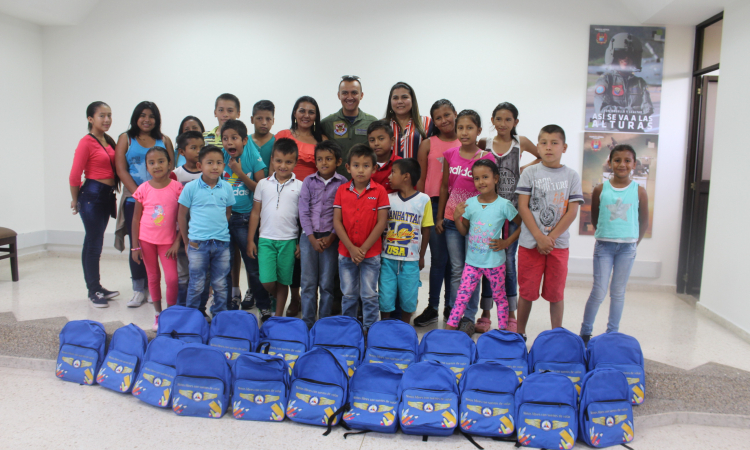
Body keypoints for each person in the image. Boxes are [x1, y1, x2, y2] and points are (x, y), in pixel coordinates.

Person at [475, 102, 540, 332]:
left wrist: (524, 170)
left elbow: (541, 155)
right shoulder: (486, 144)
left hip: (512, 212)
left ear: (516, 122)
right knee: (487, 261)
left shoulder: (519, 143)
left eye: (508, 120)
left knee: (508, 264)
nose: (503, 124)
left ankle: (511, 313)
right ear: (492, 120)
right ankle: (485, 312)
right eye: (499, 119)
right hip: (490, 212)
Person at [515, 125, 584, 341]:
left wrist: (550, 239)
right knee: (526, 292)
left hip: (557, 246)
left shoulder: (572, 176)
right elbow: (523, 207)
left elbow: (572, 211)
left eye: (554, 143)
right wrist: (538, 237)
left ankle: (557, 335)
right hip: (530, 244)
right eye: (543, 142)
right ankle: (519, 333)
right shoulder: (529, 173)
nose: (548, 147)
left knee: (556, 293)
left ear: (564, 147)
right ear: (537, 146)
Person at [580, 144, 648, 345]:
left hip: (627, 249)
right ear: (610, 163)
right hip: (604, 247)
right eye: (617, 160)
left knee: (618, 292)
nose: (622, 164)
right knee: (599, 290)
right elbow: (595, 217)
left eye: (627, 161)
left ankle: (612, 334)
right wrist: (606, 234)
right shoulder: (601, 189)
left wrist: (635, 242)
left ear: (634, 164)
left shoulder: (639, 191)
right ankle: (585, 333)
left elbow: (643, 220)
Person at [436, 110, 495, 336]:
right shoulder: (450, 154)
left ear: (479, 131)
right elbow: (444, 187)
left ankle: (469, 317)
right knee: (457, 270)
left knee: (473, 269)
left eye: (470, 128)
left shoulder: (485, 158)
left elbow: (489, 191)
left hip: (477, 225)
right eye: (460, 128)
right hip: (452, 220)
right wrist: (440, 215)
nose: (464, 132)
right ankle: (455, 313)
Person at [446, 159, 521, 332]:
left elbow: (520, 225)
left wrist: (506, 242)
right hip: (472, 262)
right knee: (462, 296)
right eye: (477, 178)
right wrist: (457, 217)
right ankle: (450, 329)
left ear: (495, 179)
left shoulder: (504, 205)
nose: (481, 182)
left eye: (485, 177)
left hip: (495, 263)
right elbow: (464, 232)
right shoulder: (470, 204)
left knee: (500, 297)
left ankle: (502, 331)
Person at [115, 101, 174, 308]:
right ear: (135, 117)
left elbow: (171, 166)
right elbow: (121, 168)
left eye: (151, 116)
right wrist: (139, 193)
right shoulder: (126, 138)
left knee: (160, 243)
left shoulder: (163, 139)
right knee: (137, 244)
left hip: (161, 201)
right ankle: (139, 289)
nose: (146, 119)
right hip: (135, 200)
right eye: (142, 115)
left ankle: (154, 288)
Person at [275, 96, 326, 316]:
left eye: (311, 112)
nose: (306, 115)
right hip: (286, 199)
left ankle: (309, 300)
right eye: (301, 110)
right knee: (290, 253)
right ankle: (294, 298)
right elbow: (272, 168)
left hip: (313, 205)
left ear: (316, 116)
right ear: (294, 112)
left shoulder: (321, 139)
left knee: (306, 254)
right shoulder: (283, 136)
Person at [333, 144, 390, 331]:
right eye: (356, 165)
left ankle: (369, 331)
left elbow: (381, 223)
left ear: (374, 168)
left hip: (371, 254)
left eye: (366, 166)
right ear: (348, 168)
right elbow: (337, 222)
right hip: (346, 252)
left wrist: (363, 249)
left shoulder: (380, 191)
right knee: (348, 294)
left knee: (369, 295)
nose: (361, 170)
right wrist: (351, 248)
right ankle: (349, 330)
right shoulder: (342, 190)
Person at [413, 99, 459, 326]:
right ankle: (432, 306)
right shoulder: (427, 144)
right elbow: (420, 178)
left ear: (455, 113)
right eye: (438, 117)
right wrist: (421, 209)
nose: (443, 120)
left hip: (458, 206)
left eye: (447, 115)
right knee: (439, 259)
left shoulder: (466, 141)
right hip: (432, 204)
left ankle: (451, 305)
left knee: (455, 262)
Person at [69, 101, 120, 307]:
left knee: (92, 242)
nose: (107, 119)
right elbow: (74, 175)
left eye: (109, 115)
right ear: (91, 119)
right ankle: (93, 291)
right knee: (94, 244)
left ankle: (96, 287)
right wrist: (75, 199)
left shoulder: (107, 140)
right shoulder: (86, 142)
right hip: (91, 195)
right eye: (102, 116)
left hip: (106, 195)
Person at [247, 138, 303, 321]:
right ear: (272, 160)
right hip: (266, 240)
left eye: (288, 162)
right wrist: (250, 240)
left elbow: (303, 218)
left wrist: (300, 242)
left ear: (295, 162)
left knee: (284, 280)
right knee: (267, 281)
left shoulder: (300, 186)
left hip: (288, 240)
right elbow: (255, 213)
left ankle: (278, 317)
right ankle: (276, 298)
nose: (283, 165)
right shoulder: (263, 184)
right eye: (279, 161)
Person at [177, 145, 235, 316]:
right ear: (199, 166)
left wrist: (218, 230)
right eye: (209, 163)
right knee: (197, 283)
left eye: (219, 163)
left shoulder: (226, 188)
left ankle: (219, 316)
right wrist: (186, 242)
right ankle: (193, 317)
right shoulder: (191, 188)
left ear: (224, 166)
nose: (215, 167)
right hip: (197, 244)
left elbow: (228, 212)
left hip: (221, 244)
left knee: (220, 283)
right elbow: (181, 216)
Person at [131, 147, 183, 331]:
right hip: (146, 241)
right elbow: (136, 218)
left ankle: (171, 314)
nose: (156, 166)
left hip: (168, 242)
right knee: (153, 277)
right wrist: (134, 246)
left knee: (172, 279)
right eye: (151, 163)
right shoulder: (142, 189)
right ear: (147, 166)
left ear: (170, 163)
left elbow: (183, 218)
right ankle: (158, 314)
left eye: (161, 161)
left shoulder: (177, 188)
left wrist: (178, 241)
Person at [298, 141, 347, 328]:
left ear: (338, 161)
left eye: (328, 159)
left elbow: (342, 213)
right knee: (308, 283)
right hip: (308, 237)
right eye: (320, 159)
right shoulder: (308, 182)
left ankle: (324, 322)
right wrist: (310, 238)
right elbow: (303, 211)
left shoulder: (342, 183)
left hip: (330, 238)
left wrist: (332, 236)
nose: (323, 162)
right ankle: (307, 322)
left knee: (327, 283)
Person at [220, 120, 268, 312]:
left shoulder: (252, 154)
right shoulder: (220, 156)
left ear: (244, 140)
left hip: (245, 218)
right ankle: (232, 297)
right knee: (226, 264)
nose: (229, 142)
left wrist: (239, 173)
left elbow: (262, 188)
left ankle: (263, 305)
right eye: (225, 139)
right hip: (222, 218)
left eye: (234, 138)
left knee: (252, 265)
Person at [379, 159, 432, 324]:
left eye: (393, 172)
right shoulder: (387, 198)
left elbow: (426, 229)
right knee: (385, 295)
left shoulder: (424, 200)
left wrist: (422, 256)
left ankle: (405, 327)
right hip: (387, 259)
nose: (389, 176)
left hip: (410, 261)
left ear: (406, 176)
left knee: (409, 296)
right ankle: (384, 325)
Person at [171, 131, 210, 313]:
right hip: (182, 234)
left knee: (202, 274)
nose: (198, 151)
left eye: (201, 147)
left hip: (203, 234)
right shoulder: (176, 175)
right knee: (184, 275)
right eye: (193, 147)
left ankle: (199, 310)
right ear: (182, 152)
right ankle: (181, 310)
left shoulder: (208, 174)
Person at [592, 33, 654, 130]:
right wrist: (632, 112)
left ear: (634, 58)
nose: (626, 58)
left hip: (636, 132)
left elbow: (648, 110)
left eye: (630, 55)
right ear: (614, 57)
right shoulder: (606, 80)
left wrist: (621, 113)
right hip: (614, 132)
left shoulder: (640, 83)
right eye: (621, 54)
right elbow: (602, 111)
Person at [320, 75, 377, 177]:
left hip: (363, 183)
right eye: (345, 93)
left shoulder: (372, 122)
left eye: (354, 93)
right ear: (339, 95)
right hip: (335, 185)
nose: (349, 97)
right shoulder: (326, 123)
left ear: (361, 95)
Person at [383, 82, 432, 159]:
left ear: (412, 100)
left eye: (404, 97)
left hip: (419, 171)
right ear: (390, 101)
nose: (399, 101)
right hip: (389, 171)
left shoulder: (427, 122)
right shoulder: (382, 124)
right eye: (395, 98)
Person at [368, 120, 401, 193]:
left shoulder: (402, 164)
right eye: (372, 140)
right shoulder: (364, 165)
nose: (376, 143)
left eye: (381, 139)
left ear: (392, 141)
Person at [249, 100, 276, 177]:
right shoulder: (245, 141)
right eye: (259, 118)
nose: (264, 123)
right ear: (252, 119)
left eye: (268, 119)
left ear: (273, 121)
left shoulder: (276, 142)